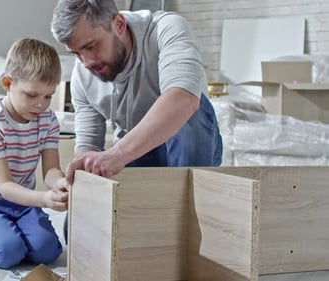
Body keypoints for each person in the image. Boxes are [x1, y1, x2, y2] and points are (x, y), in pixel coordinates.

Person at [51, 0, 223, 184]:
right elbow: (89, 144)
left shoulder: (166, 28)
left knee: (188, 103)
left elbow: (184, 99)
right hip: (135, 153)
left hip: (191, 148)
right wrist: (80, 178)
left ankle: (187, 204)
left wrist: (116, 155)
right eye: (76, 53)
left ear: (119, 24)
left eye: (91, 46)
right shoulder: (82, 75)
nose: (87, 62)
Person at [0, 38, 69, 269]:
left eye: (48, 96)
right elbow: (4, 186)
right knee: (7, 254)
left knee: (48, 252)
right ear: (8, 83)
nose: (41, 105)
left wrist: (62, 183)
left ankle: (8, 232)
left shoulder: (47, 120)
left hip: (22, 200)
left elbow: (51, 171)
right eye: (32, 95)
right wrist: (44, 199)